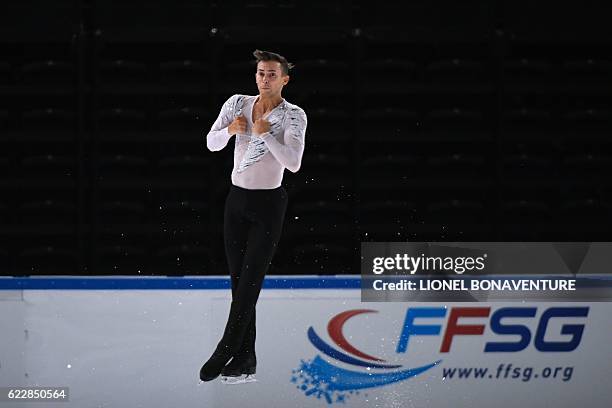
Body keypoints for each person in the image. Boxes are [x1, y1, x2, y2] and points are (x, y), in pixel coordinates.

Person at [199, 49, 307, 383]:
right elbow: (211, 143)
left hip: (269, 206)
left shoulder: (294, 116)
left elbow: (293, 163)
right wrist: (231, 130)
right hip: (236, 202)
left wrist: (265, 135)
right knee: (238, 283)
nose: (264, 79)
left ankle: (226, 347)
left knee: (250, 283)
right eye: (261, 73)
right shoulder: (236, 104)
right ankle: (246, 360)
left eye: (272, 74)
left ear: (285, 79)